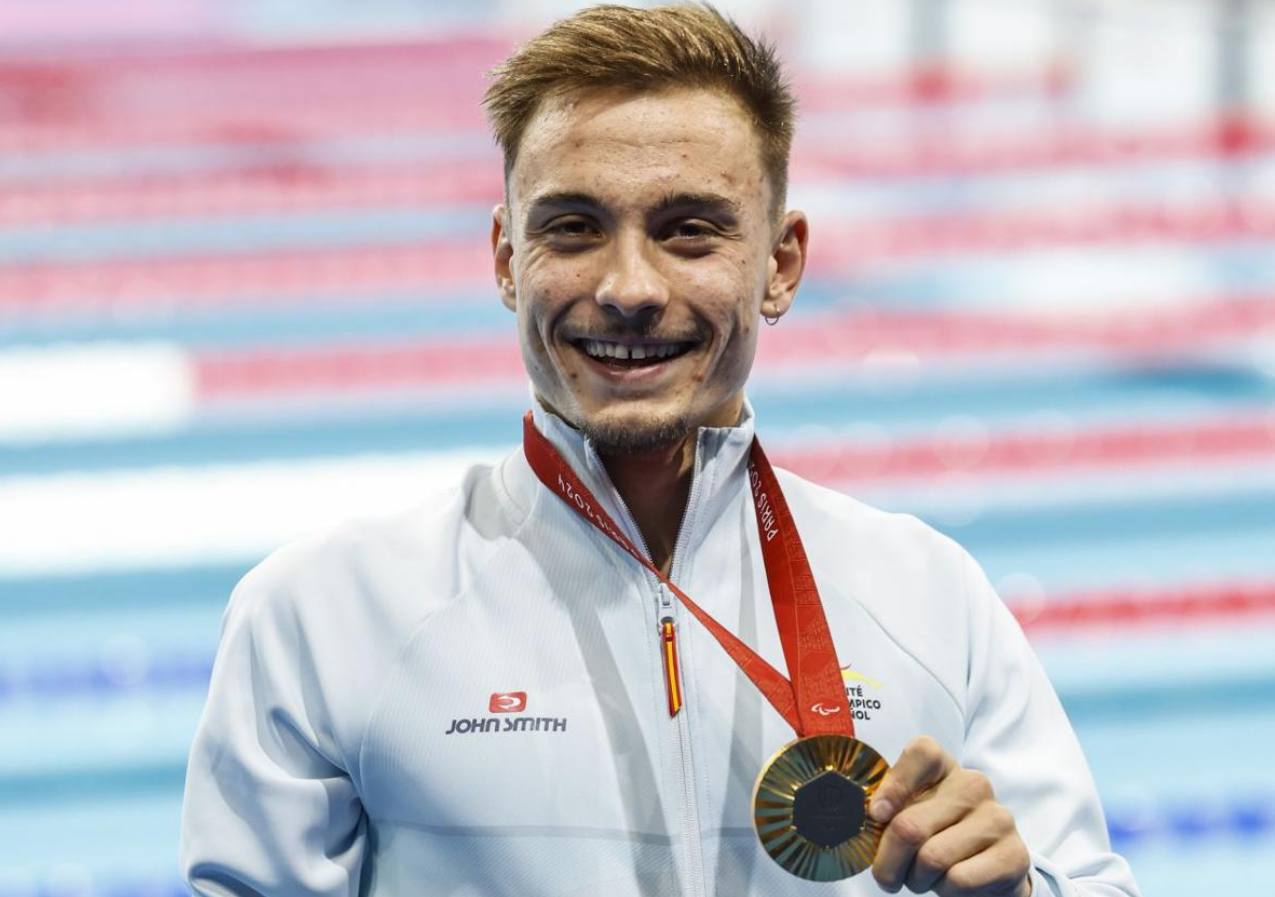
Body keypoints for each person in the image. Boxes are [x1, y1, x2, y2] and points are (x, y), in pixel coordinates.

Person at [179, 5, 1143, 896]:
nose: (629, 287)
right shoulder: (324, 614)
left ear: (780, 262)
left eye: (688, 231)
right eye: (574, 228)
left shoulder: (928, 596)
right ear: (507, 260)